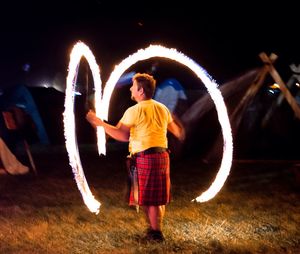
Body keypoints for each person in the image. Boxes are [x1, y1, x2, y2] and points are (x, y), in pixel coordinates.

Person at [86, 73, 185, 242]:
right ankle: (154, 229)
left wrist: (99, 123)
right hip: (162, 156)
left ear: (140, 90)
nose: (130, 88)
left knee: (151, 199)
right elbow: (177, 132)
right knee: (156, 198)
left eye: (133, 86)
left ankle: (156, 233)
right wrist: (104, 128)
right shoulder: (162, 108)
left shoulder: (134, 110)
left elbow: (122, 135)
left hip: (146, 157)